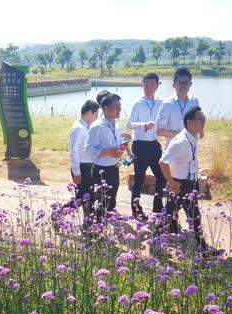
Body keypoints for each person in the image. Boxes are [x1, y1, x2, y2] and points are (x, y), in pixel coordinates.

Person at [158, 107, 222, 257]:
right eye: (200, 120)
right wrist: (172, 183)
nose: (203, 123)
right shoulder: (180, 141)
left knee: (195, 218)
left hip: (189, 185)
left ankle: (203, 249)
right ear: (190, 122)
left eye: (204, 119)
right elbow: (163, 163)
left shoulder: (192, 138)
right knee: (168, 218)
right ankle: (156, 246)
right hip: (179, 185)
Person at [54, 99, 100, 228]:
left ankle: (87, 225)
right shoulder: (78, 128)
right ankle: (88, 227)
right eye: (96, 115)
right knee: (83, 199)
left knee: (85, 198)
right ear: (90, 113)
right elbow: (73, 152)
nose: (96, 118)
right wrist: (77, 172)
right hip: (82, 168)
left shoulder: (85, 125)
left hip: (88, 167)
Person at [127, 73, 165, 219]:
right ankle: (136, 210)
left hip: (154, 145)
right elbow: (129, 124)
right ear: (143, 85)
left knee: (162, 177)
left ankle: (158, 206)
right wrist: (144, 125)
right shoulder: (137, 103)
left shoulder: (161, 104)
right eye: (146, 84)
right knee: (139, 179)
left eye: (152, 85)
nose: (149, 88)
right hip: (140, 146)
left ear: (157, 86)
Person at [84, 93, 124, 223]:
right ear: (105, 108)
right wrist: (108, 152)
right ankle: (92, 233)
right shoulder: (97, 126)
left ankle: (103, 229)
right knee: (102, 202)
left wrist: (121, 148)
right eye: (115, 106)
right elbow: (89, 150)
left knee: (111, 201)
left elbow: (116, 143)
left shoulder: (117, 123)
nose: (119, 109)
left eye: (119, 106)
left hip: (114, 167)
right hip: (101, 170)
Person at [157, 68, 200, 148]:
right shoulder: (167, 104)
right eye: (180, 82)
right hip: (172, 150)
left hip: (190, 149)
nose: (183, 85)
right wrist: (183, 136)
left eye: (186, 82)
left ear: (190, 84)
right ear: (173, 85)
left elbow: (199, 126)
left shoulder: (194, 102)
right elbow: (159, 131)